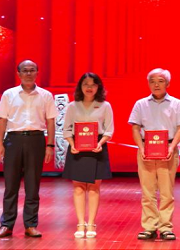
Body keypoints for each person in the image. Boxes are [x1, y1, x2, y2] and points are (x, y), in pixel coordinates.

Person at [0, 60, 57, 238]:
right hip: (13, 140)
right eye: (25, 70)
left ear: (37, 73)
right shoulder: (9, 94)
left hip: (36, 140)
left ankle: (31, 225)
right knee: (10, 185)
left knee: (32, 185)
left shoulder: (45, 95)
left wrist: (50, 145)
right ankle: (6, 225)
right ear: (19, 74)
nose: (29, 73)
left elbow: (51, 121)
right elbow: (2, 120)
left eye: (32, 70)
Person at [128, 68, 180, 241]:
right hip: (146, 150)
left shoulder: (177, 104)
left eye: (160, 81)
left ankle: (165, 227)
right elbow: (135, 127)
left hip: (168, 150)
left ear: (168, 83)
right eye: (152, 81)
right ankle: (149, 226)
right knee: (147, 192)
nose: (156, 85)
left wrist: (172, 147)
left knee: (166, 192)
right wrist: (141, 148)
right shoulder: (140, 104)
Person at [62, 72, 114, 239]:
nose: (89, 88)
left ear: (98, 87)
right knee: (78, 188)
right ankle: (80, 223)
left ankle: (91, 223)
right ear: (80, 87)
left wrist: (100, 143)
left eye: (93, 85)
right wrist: (72, 144)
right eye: (85, 84)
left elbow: (109, 130)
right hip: (77, 148)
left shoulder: (105, 106)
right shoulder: (72, 106)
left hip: (97, 148)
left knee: (93, 188)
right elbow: (67, 129)